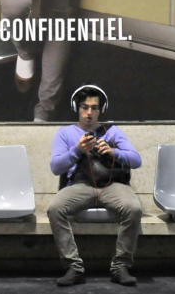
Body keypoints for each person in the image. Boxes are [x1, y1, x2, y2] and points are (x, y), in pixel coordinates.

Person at [47, 85, 142, 287]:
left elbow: (136, 160)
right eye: (84, 107)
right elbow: (55, 167)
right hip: (80, 184)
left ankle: (120, 266)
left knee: (133, 208)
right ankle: (74, 266)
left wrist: (113, 152)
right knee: (55, 208)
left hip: (112, 184)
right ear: (76, 108)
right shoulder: (65, 133)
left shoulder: (112, 131)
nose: (89, 113)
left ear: (101, 110)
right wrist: (77, 150)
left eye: (94, 108)